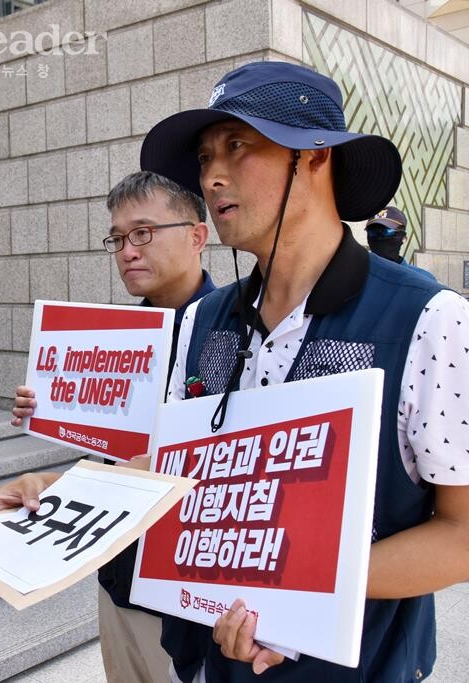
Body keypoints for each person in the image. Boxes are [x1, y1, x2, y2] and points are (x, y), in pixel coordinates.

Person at [138, 60, 469, 681]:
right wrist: (63, 492)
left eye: (238, 146)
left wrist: (297, 591)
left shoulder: (431, 319)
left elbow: (461, 534)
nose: (211, 175)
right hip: (211, 662)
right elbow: (181, 471)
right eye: (206, 155)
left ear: (315, 156)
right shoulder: (199, 322)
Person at [6, 171, 214, 682]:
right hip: (118, 574)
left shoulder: (235, 336)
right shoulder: (120, 341)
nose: (127, 251)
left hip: (192, 593)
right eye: (118, 238)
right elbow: (112, 461)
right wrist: (54, 408)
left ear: (196, 235)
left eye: (143, 233)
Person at [365, 205, 436, 279]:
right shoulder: (357, 275)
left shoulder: (423, 279)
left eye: (387, 231)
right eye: (372, 231)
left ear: (403, 238)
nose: (379, 237)